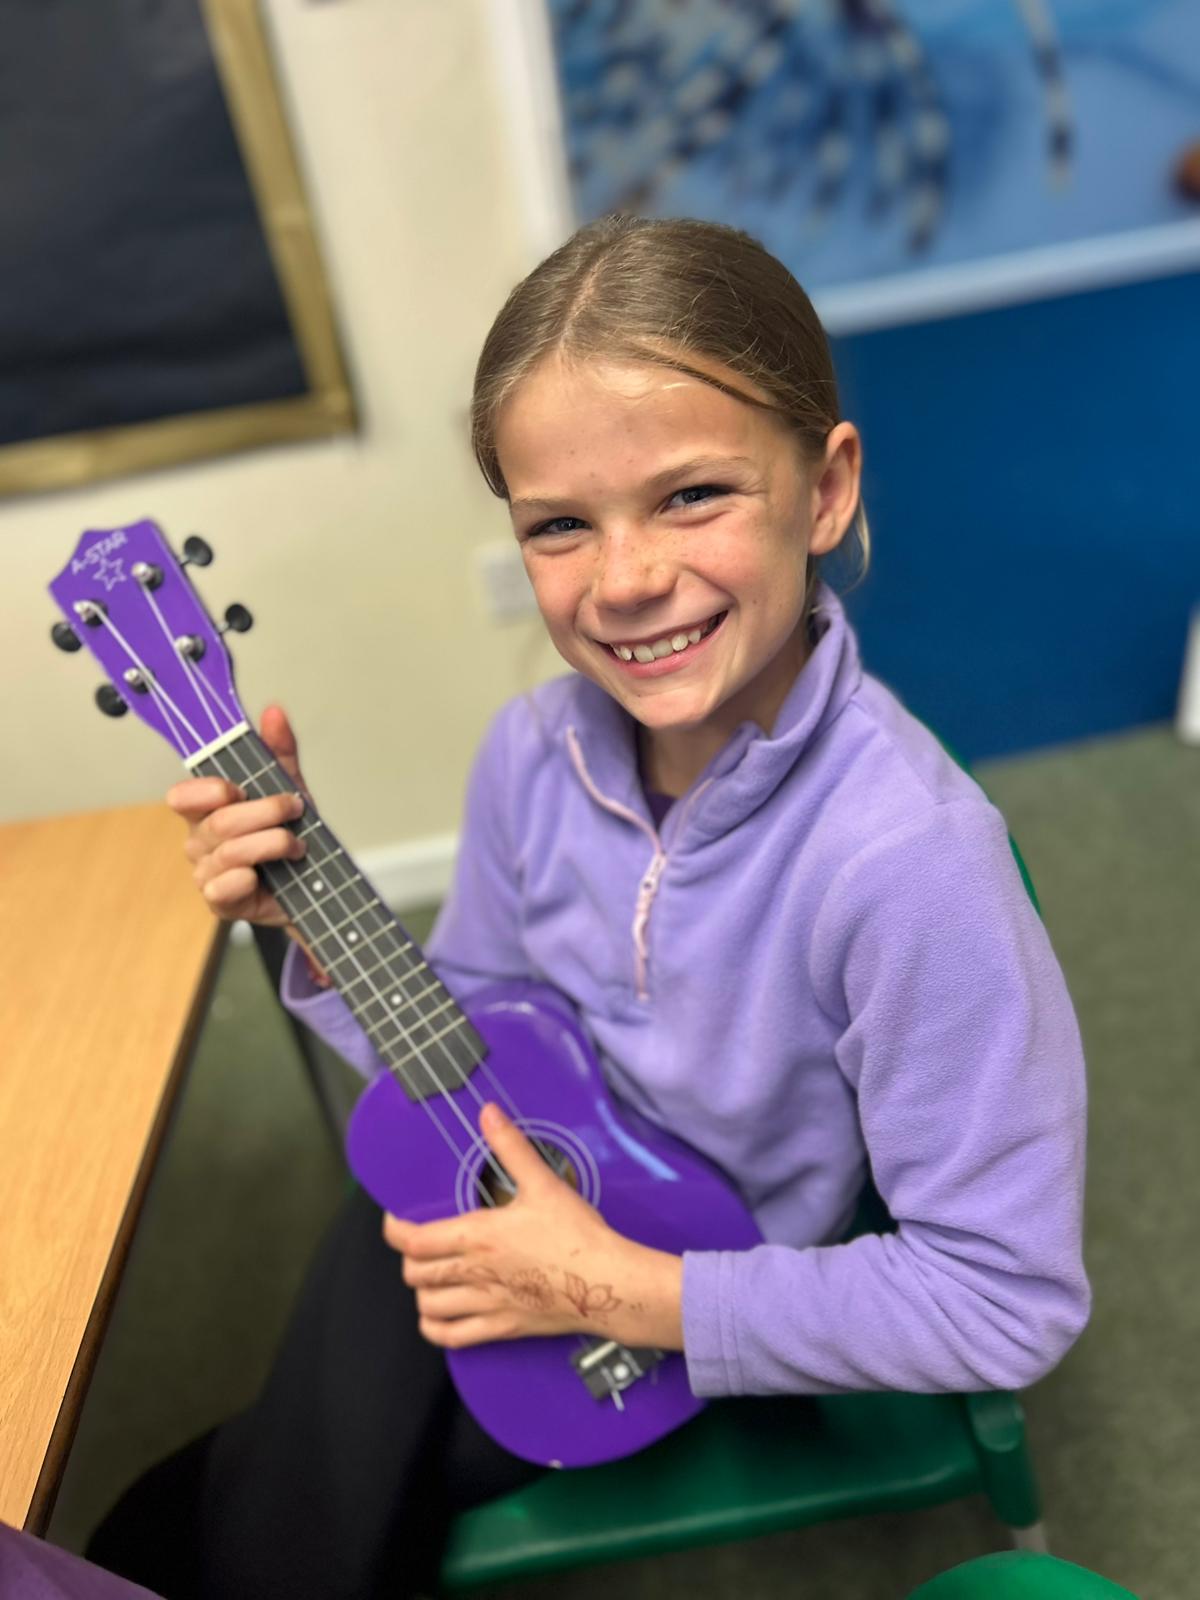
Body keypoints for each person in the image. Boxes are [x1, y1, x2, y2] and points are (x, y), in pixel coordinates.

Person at [87, 215, 1089, 1599]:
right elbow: (468, 1073)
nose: (624, 580)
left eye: (692, 496)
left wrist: (610, 1288)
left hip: (720, 1306)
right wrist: (305, 916)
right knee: (194, 1508)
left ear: (826, 490)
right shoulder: (530, 754)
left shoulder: (910, 866)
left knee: (267, 1514)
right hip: (538, 1206)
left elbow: (1005, 1298)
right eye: (560, 524)